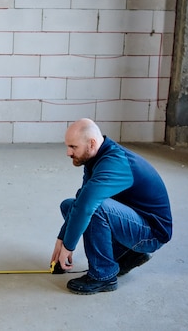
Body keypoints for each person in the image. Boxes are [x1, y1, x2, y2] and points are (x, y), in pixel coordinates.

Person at [50, 118, 172, 294]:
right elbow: (81, 200)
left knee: (94, 208)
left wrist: (68, 246)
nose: (68, 152)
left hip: (152, 233)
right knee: (69, 205)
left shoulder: (114, 163)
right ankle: (129, 255)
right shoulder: (95, 158)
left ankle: (103, 276)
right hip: (134, 221)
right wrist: (61, 239)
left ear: (91, 143)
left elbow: (87, 206)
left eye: (73, 147)